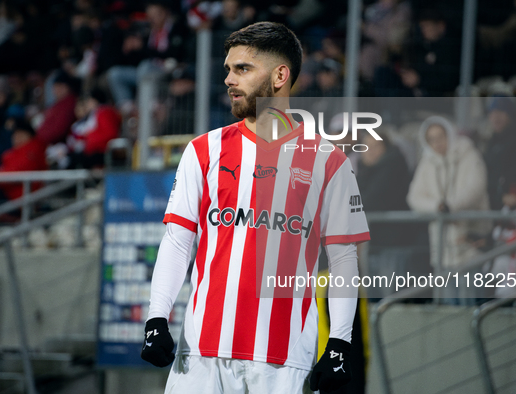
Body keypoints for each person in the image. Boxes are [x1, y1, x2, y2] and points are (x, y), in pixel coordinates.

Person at [140, 22, 370, 394]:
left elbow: (343, 257)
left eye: (243, 69)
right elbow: (179, 240)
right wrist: (156, 318)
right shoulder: (204, 150)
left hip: (282, 358)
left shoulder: (329, 162)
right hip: (199, 350)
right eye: (228, 69)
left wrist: (339, 342)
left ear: (280, 76)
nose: (230, 79)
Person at [407, 116, 490, 270]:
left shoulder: (468, 153)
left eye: (440, 136)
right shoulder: (427, 162)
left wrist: (451, 206)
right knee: (445, 292)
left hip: (471, 241)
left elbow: (475, 188)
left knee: (471, 291)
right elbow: (414, 197)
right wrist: (437, 206)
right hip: (441, 247)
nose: (437, 143)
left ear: (449, 134)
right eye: (431, 139)